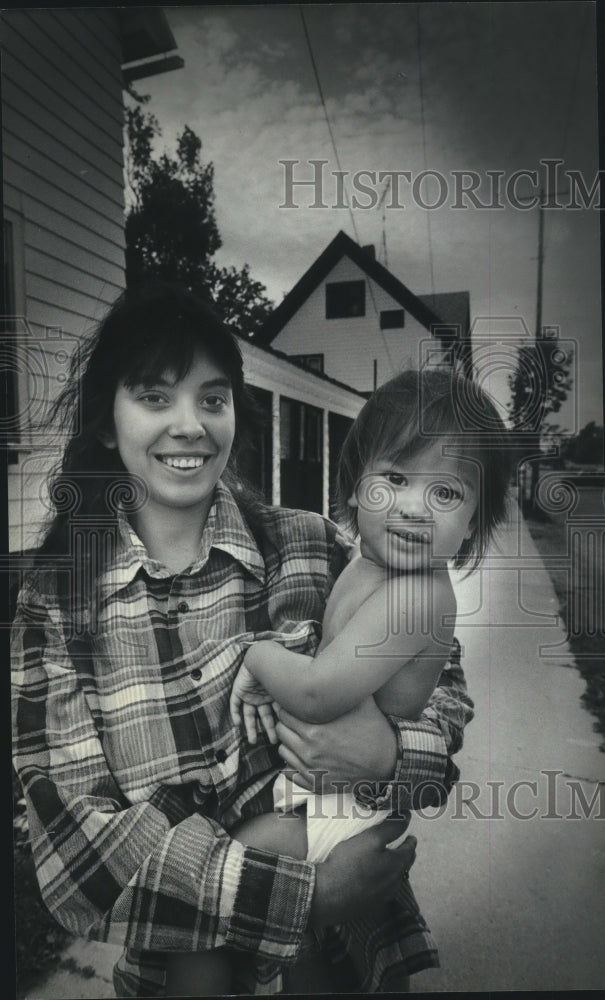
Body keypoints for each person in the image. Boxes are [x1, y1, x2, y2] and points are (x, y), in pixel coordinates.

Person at [11, 284, 474, 998]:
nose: (189, 424)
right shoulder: (57, 606)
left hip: (349, 953)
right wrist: (303, 894)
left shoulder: (313, 546)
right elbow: (76, 854)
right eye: (155, 397)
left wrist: (390, 752)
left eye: (212, 398)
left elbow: (442, 689)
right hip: (182, 965)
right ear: (107, 421)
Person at [168, 368, 511, 993]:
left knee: (219, 894)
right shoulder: (365, 560)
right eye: (397, 479)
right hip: (324, 792)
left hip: (348, 804)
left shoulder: (416, 597)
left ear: (474, 524)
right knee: (316, 962)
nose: (413, 505)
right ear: (354, 488)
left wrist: (254, 658)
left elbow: (320, 691)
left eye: (447, 493)